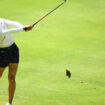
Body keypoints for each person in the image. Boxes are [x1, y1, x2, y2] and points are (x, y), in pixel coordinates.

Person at [0, 18, 33, 105]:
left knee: (12, 76)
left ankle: (9, 103)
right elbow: (3, 32)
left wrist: (22, 26)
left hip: (13, 50)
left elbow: (13, 23)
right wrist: (24, 29)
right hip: (1, 53)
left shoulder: (1, 20)